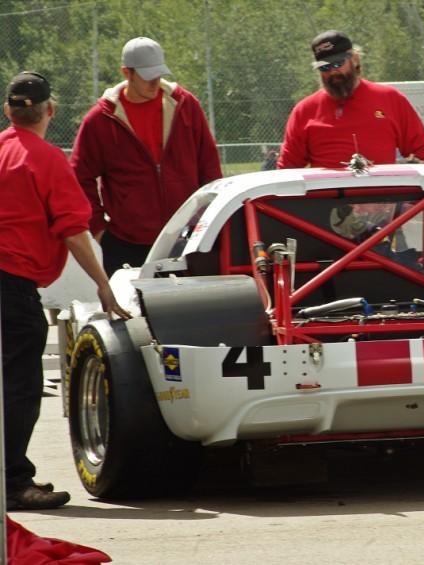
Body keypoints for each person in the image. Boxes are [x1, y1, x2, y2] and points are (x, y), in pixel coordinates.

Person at [1, 71, 131, 510]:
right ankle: (12, 481)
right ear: (49, 111)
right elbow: (75, 231)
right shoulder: (46, 159)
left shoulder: (2, 150)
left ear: (8, 111)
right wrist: (103, 285)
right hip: (12, 285)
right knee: (19, 385)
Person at [71, 36, 222, 276]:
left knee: (189, 312)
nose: (154, 82)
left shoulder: (185, 105)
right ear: (126, 73)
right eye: (147, 75)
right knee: (133, 312)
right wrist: (99, 229)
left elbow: (210, 165)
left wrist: (209, 218)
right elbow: (79, 178)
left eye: (158, 74)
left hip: (185, 238)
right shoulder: (100, 120)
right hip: (126, 243)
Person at [277, 30, 424, 169]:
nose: (333, 72)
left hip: (384, 195)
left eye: (338, 64)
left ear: (355, 59)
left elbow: (420, 155)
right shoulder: (305, 110)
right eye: (324, 67)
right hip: (326, 199)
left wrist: (413, 200)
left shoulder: (390, 99)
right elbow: (287, 168)